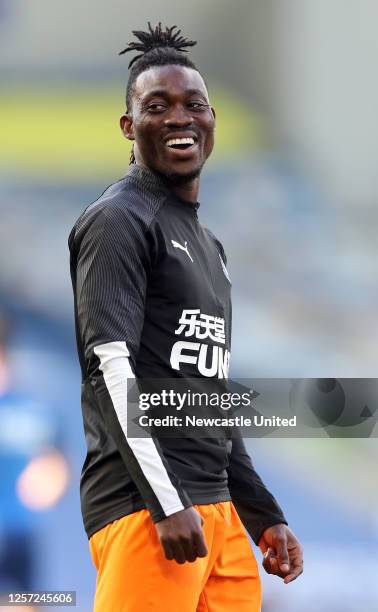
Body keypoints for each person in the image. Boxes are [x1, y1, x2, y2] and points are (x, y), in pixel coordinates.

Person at [68, 23, 303, 612]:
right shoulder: (118, 221)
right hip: (150, 511)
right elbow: (111, 369)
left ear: (212, 118)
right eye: (157, 106)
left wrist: (261, 511)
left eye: (192, 104)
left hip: (217, 512)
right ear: (129, 125)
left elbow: (211, 393)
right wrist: (164, 501)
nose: (179, 118)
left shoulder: (209, 245)